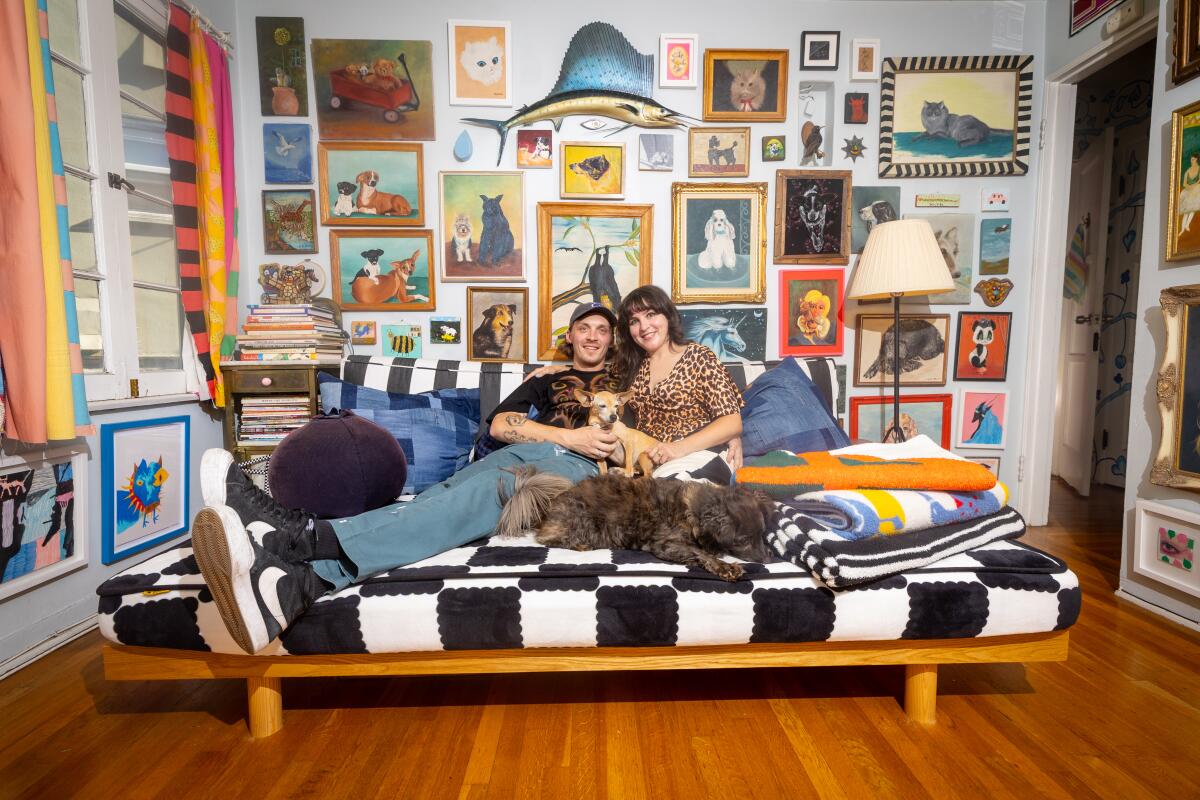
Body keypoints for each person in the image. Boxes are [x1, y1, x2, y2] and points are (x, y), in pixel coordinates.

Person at [191, 303, 621, 655]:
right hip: (529, 449)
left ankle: (294, 536)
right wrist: (567, 432)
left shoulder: (624, 385)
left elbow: (630, 447)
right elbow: (500, 425)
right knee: (440, 495)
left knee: (489, 491)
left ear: (611, 340)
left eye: (602, 330)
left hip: (577, 466)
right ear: (570, 336)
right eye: (584, 328)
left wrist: (587, 444)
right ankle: (298, 585)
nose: (592, 336)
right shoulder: (547, 379)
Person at [612, 285, 745, 470]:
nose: (644, 327)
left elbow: (732, 422)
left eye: (650, 315)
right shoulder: (631, 366)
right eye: (634, 321)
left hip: (697, 455)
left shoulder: (698, 356)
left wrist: (677, 448)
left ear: (668, 316)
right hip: (652, 463)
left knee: (673, 485)